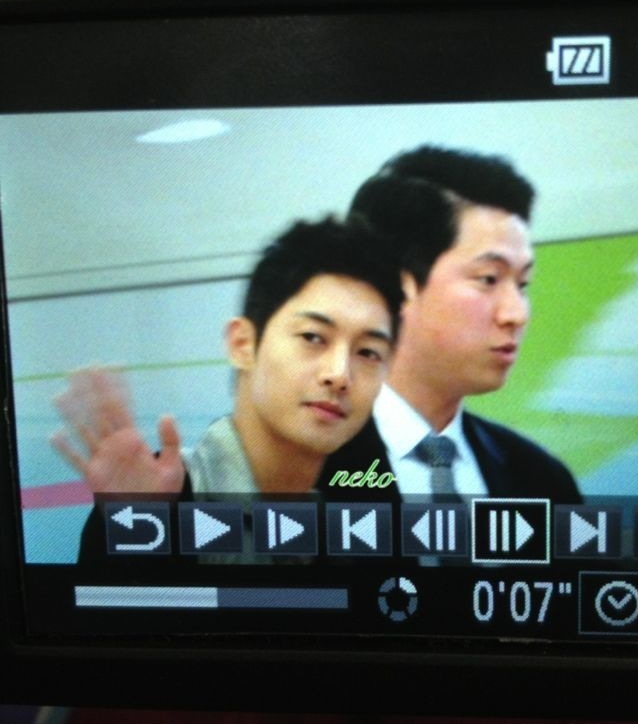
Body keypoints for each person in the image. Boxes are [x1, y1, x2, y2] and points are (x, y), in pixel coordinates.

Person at [52, 215, 403, 510]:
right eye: (313, 337)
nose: (340, 375)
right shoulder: (159, 496)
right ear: (242, 344)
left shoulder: (360, 511)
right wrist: (142, 530)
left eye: (368, 352)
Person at [320, 143, 580, 504]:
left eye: (522, 285)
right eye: (488, 279)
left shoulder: (541, 480)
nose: (516, 314)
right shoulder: (298, 472)